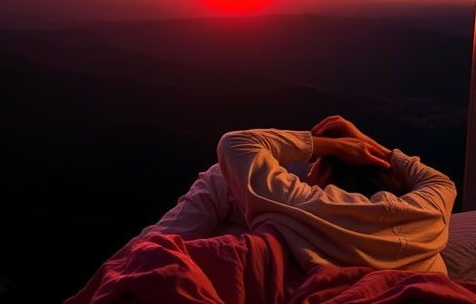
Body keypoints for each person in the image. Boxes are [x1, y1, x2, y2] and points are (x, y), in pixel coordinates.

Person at [139, 116, 457, 274]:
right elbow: (438, 179)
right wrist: (369, 145)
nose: (307, 171)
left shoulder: (309, 206)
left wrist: (332, 145)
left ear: (329, 175)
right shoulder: (428, 215)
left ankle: (134, 261)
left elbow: (235, 144)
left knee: (221, 177)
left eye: (315, 165)